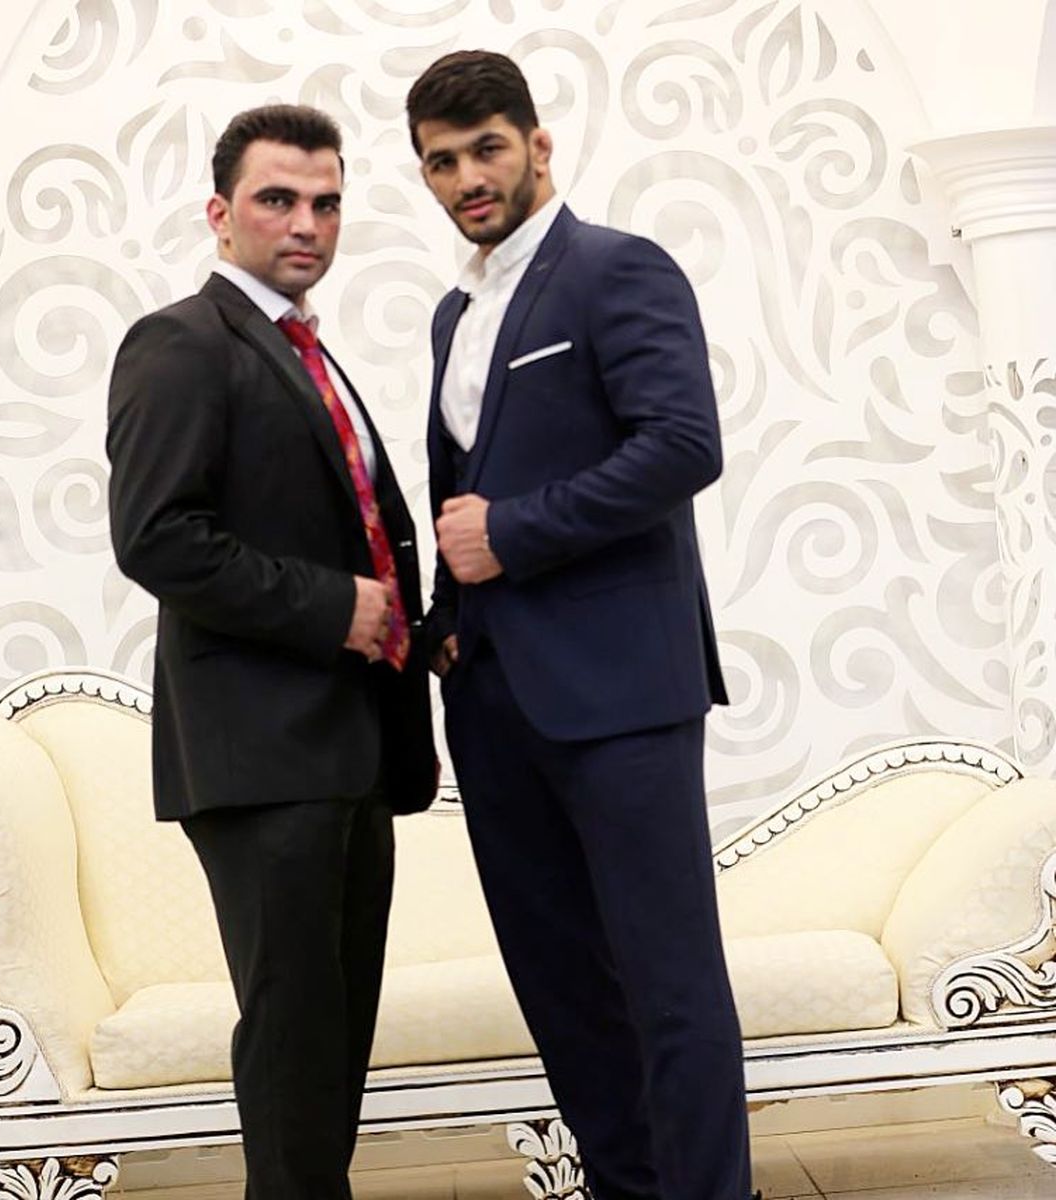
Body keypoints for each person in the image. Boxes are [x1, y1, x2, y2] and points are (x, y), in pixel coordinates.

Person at [407, 51, 753, 1200]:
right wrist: (449, 623)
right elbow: (463, 487)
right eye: (442, 162)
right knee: (561, 990)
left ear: (538, 146)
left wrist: (514, 534)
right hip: (493, 699)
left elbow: (682, 446)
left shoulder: (617, 269)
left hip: (622, 692)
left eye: (487, 149)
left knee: (667, 982)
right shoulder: (455, 314)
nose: (468, 177)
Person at [106, 103, 436, 1200]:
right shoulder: (181, 343)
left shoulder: (309, 351)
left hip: (349, 748)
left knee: (333, 1041)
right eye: (278, 200)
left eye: (326, 203)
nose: (307, 223)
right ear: (220, 213)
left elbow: (355, 525)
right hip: (261, 756)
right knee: (295, 1037)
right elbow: (157, 538)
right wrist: (333, 608)